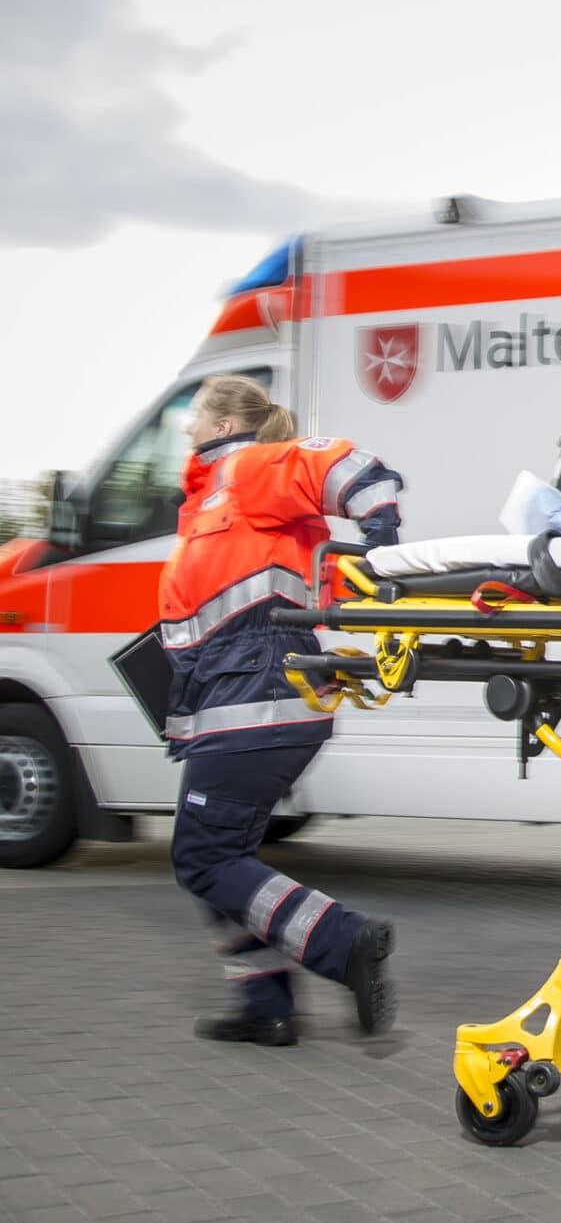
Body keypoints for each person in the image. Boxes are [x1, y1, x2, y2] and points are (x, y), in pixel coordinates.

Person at [157, 374, 406, 1046]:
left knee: (204, 859)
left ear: (218, 422)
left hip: (258, 693)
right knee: (219, 861)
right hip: (240, 693)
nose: (185, 426)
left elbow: (356, 470)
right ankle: (264, 1007)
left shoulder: (250, 467)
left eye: (192, 414)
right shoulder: (214, 495)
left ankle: (344, 940)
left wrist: (385, 544)